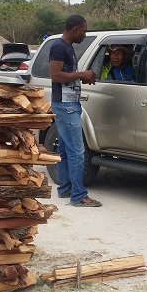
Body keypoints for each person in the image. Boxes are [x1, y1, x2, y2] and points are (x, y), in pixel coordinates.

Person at [48, 15, 101, 207]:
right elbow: (55, 75)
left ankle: (65, 188)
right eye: (85, 31)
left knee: (63, 149)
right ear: (75, 29)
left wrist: (80, 78)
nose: (85, 35)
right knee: (77, 152)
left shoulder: (67, 48)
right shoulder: (59, 47)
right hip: (65, 106)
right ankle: (79, 196)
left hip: (70, 104)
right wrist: (80, 74)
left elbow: (65, 75)